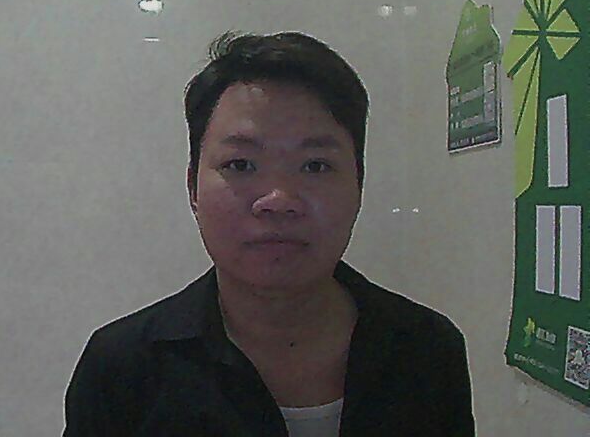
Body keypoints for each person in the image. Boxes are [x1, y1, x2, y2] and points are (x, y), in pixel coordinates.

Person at [62, 30, 475, 436]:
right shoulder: (122, 369)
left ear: (359, 184)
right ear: (192, 187)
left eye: (315, 165)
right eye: (240, 165)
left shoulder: (428, 351)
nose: (278, 200)